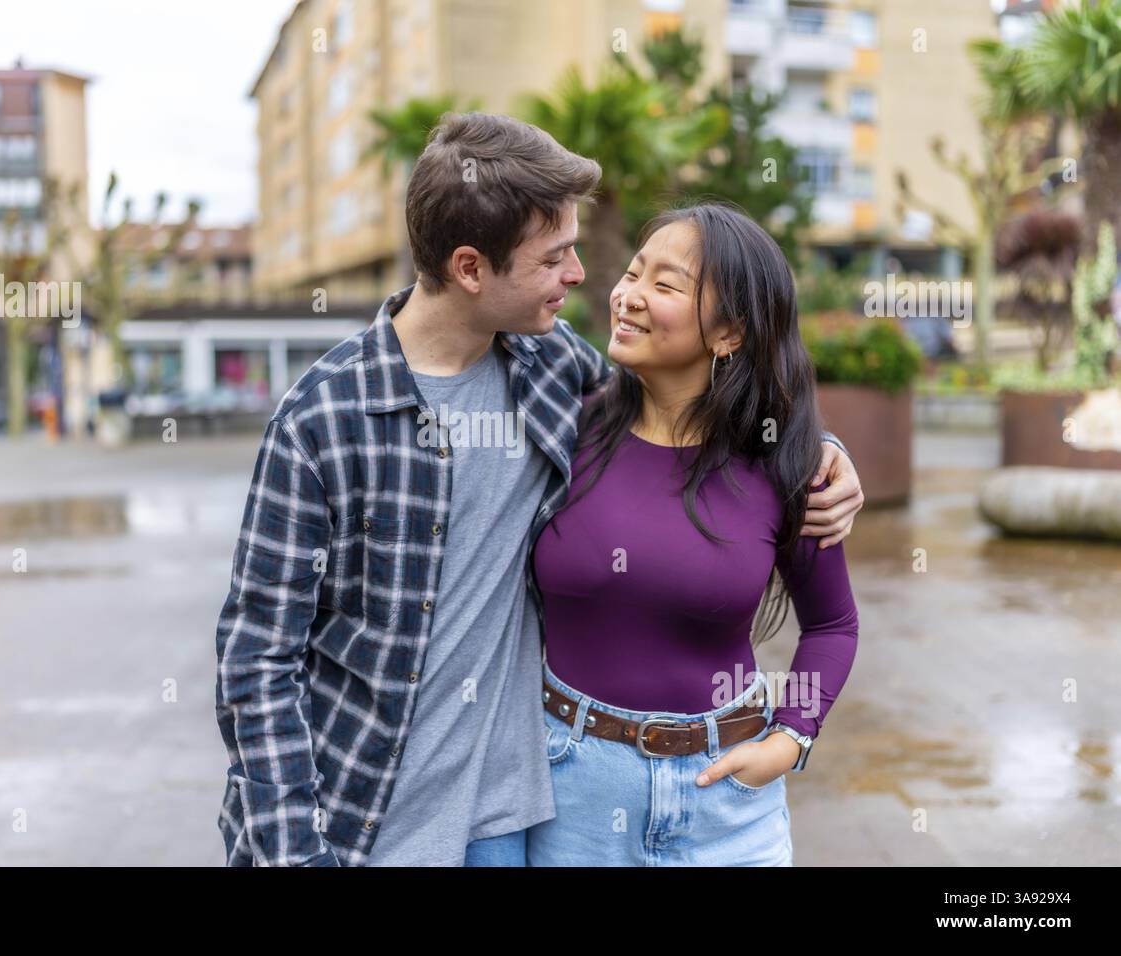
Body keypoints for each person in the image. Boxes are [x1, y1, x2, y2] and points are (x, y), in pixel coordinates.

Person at [213, 113, 864, 867]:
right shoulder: (324, 418)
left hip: (517, 817)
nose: (589, 278)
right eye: (556, 256)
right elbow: (257, 659)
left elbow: (718, 422)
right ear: (470, 269)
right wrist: (292, 854)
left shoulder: (554, 374)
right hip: (371, 818)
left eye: (656, 277)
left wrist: (825, 454)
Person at [524, 201, 859, 866]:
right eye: (632, 274)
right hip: (574, 794)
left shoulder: (789, 464)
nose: (629, 297)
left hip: (728, 801)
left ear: (730, 331)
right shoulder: (562, 428)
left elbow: (832, 627)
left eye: (665, 285)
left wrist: (790, 740)